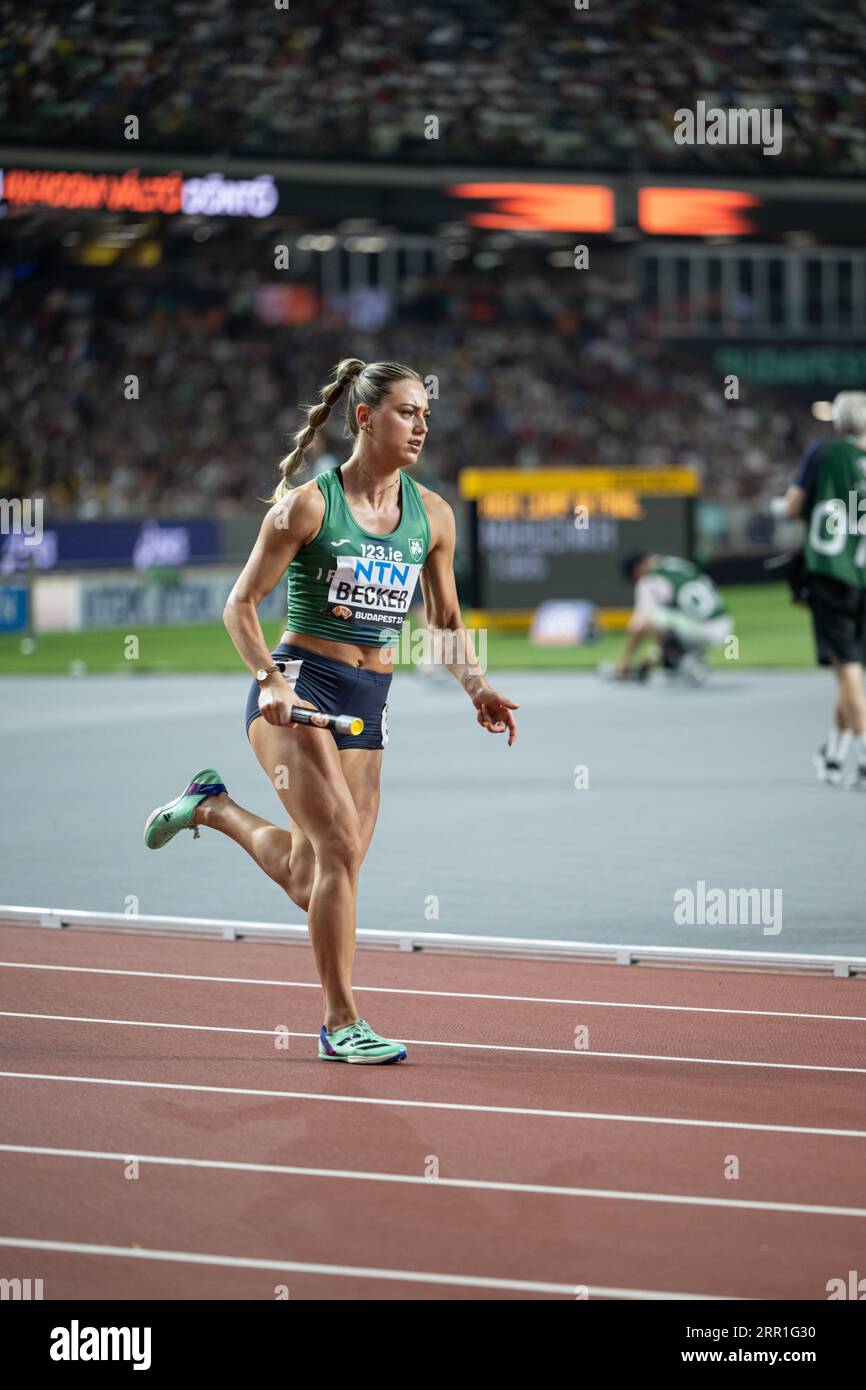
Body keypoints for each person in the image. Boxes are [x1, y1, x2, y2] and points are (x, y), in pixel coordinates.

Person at [144, 358, 519, 1062]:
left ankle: (211, 807)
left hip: (368, 703)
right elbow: (240, 605)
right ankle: (339, 1022)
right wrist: (270, 681)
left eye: (426, 416)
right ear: (365, 417)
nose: (420, 427)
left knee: (313, 876)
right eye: (408, 413)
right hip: (298, 687)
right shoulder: (310, 506)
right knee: (341, 852)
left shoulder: (433, 514)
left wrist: (477, 687)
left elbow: (444, 623)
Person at [782, 391, 866, 788]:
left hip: (834, 573)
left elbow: (792, 508)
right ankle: (833, 755)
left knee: (847, 669)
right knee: (850, 671)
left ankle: (864, 761)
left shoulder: (823, 453)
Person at [615, 553, 733, 684]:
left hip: (701, 630)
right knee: (670, 619)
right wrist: (650, 658)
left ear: (637, 568)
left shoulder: (649, 580)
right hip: (724, 624)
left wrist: (623, 662)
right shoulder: (677, 564)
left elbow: (639, 625)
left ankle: (686, 660)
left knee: (653, 618)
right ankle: (681, 658)